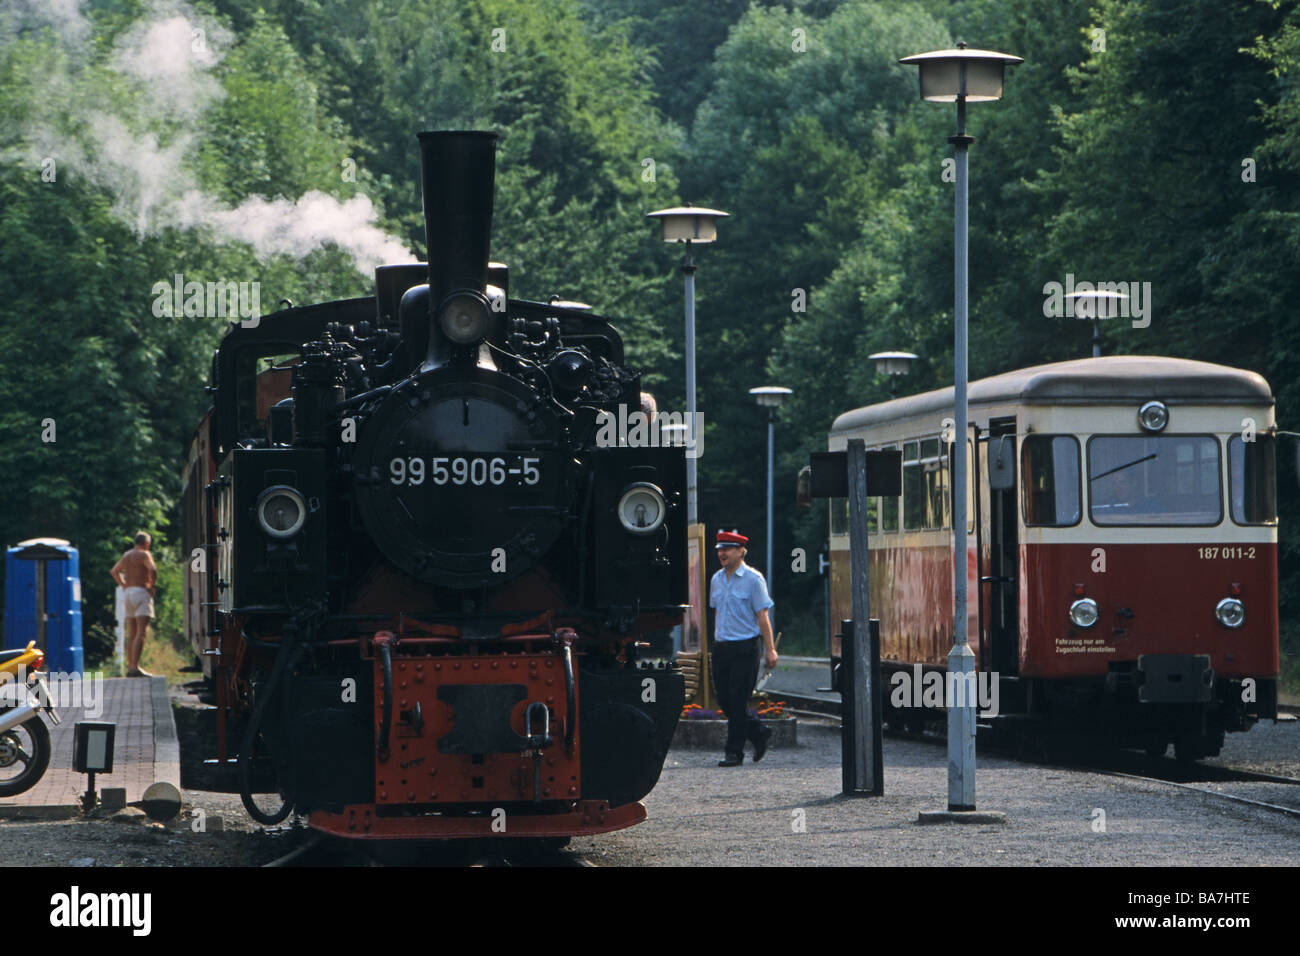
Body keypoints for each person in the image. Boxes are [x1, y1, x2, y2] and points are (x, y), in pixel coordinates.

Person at [709, 529, 778, 766]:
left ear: (740, 551)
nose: (722, 553)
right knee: (725, 701)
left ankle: (733, 752)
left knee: (738, 701)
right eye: (719, 549)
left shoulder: (753, 579)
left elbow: (763, 616)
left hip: (745, 648)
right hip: (722, 647)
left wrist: (770, 649)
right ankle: (757, 730)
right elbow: (718, 612)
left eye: (727, 549)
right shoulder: (716, 579)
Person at [110, 531, 157, 677]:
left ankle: (131, 666)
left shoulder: (127, 555)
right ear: (146, 544)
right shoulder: (144, 554)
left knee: (132, 632)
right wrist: (152, 585)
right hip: (141, 592)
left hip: (128, 593)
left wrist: (124, 585)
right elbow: (153, 569)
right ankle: (134, 667)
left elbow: (114, 571)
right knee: (141, 632)